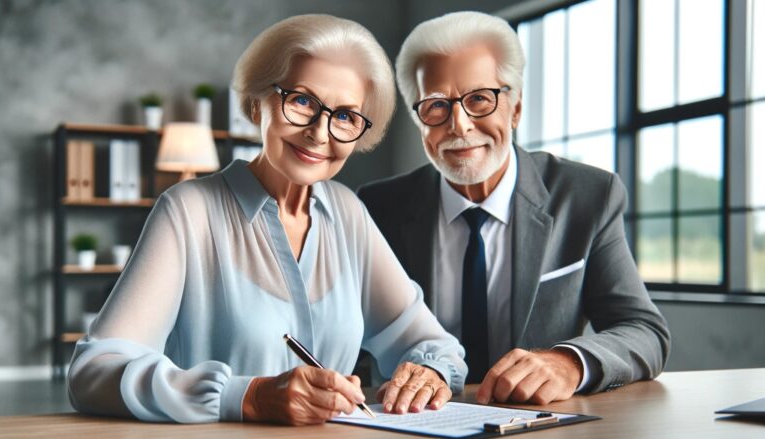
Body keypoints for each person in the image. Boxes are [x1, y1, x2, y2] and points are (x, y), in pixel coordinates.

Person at [67, 14, 466, 425]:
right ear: (259, 100)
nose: (320, 133)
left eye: (346, 116)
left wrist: (429, 371)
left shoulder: (347, 212)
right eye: (303, 101)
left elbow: (434, 344)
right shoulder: (189, 211)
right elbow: (92, 372)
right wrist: (246, 396)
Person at [358, 11, 670, 407]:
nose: (459, 125)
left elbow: (643, 329)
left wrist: (568, 362)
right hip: (413, 421)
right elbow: (349, 346)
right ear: (418, 118)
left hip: (539, 423)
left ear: (516, 107)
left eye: (479, 99)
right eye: (436, 106)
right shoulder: (377, 207)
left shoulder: (588, 195)